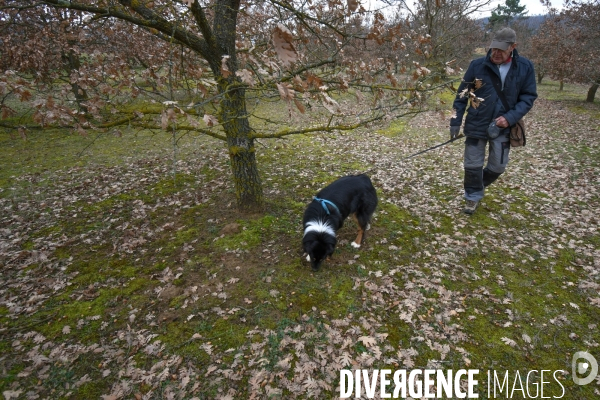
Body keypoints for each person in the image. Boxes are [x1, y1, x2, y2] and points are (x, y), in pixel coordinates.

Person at [450, 27, 537, 214]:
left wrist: (510, 118)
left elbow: (528, 97)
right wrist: (455, 121)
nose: (496, 53)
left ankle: (475, 187)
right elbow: (462, 94)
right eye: (494, 48)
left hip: (502, 127)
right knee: (472, 164)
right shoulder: (477, 65)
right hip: (476, 122)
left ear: (513, 47)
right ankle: (472, 198)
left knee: (498, 166)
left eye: (501, 50)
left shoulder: (525, 67)